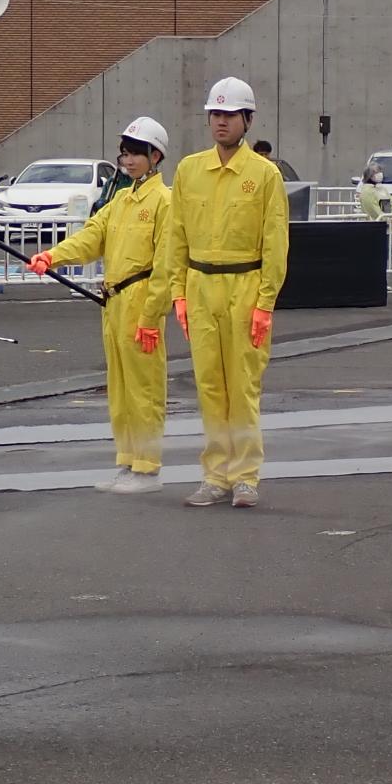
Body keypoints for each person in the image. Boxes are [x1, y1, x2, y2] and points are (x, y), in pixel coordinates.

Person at [162, 76, 289, 510]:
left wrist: (265, 303)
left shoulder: (264, 174)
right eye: (215, 114)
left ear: (247, 120)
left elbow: (275, 243)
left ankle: (246, 477)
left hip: (246, 285)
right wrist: (178, 293)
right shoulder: (189, 170)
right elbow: (176, 236)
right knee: (210, 387)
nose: (220, 122)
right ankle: (215, 475)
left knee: (243, 386)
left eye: (229, 115)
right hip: (200, 287)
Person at [28, 117, 173, 493]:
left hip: (141, 299)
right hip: (113, 303)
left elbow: (166, 265)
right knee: (120, 388)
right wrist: (52, 256)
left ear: (155, 156)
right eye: (125, 153)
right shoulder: (120, 200)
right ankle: (127, 462)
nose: (128, 161)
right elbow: (91, 237)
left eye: (136, 154)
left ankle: (147, 468)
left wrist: (151, 315)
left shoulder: (165, 201)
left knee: (145, 389)